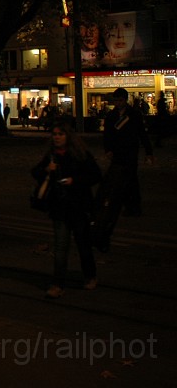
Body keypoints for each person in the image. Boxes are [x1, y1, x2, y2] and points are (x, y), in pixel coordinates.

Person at [31, 121, 102, 298]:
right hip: (59, 206)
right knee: (61, 246)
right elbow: (35, 172)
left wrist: (75, 181)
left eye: (60, 134)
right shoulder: (52, 155)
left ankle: (89, 275)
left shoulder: (80, 155)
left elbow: (95, 175)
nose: (57, 137)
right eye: (54, 134)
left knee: (83, 244)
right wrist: (47, 169)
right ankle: (58, 283)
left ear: (68, 136)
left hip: (78, 206)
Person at [100, 87, 153, 221]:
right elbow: (107, 135)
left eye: (120, 100)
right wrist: (108, 150)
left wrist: (148, 152)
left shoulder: (134, 114)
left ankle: (133, 207)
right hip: (117, 153)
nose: (118, 103)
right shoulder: (111, 115)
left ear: (125, 100)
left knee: (131, 180)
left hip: (130, 151)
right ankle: (123, 204)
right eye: (116, 100)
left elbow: (142, 133)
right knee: (118, 180)